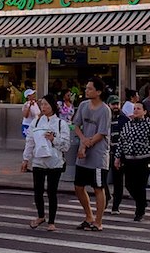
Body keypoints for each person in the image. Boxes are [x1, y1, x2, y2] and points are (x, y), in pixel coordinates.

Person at [21, 93, 70, 231]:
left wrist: (53, 139)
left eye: (46, 104)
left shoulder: (61, 124)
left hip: (55, 162)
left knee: (51, 192)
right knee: (38, 191)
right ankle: (40, 215)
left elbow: (66, 145)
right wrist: (26, 159)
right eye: (42, 104)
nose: (43, 107)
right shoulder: (36, 122)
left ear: (53, 106)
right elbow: (30, 142)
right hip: (38, 161)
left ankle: (52, 221)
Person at [114, 101, 150, 221]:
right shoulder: (128, 125)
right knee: (129, 184)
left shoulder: (149, 125)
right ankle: (141, 201)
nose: (136, 111)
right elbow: (121, 142)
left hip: (144, 160)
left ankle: (139, 210)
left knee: (140, 185)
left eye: (138, 109)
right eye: (134, 108)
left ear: (144, 112)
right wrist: (117, 158)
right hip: (129, 160)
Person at [72, 76, 111, 231]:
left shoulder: (105, 110)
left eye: (90, 88)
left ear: (99, 91)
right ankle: (88, 216)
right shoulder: (83, 105)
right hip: (83, 153)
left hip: (98, 155)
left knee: (98, 188)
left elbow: (101, 133)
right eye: (86, 88)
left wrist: (86, 145)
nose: (86, 91)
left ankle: (98, 221)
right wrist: (82, 140)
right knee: (78, 186)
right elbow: (75, 125)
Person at [107, 94, 128, 215]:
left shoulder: (124, 119)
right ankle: (106, 197)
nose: (115, 106)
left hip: (118, 153)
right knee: (101, 179)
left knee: (118, 180)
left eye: (117, 104)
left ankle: (116, 206)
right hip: (105, 152)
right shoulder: (106, 117)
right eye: (113, 104)